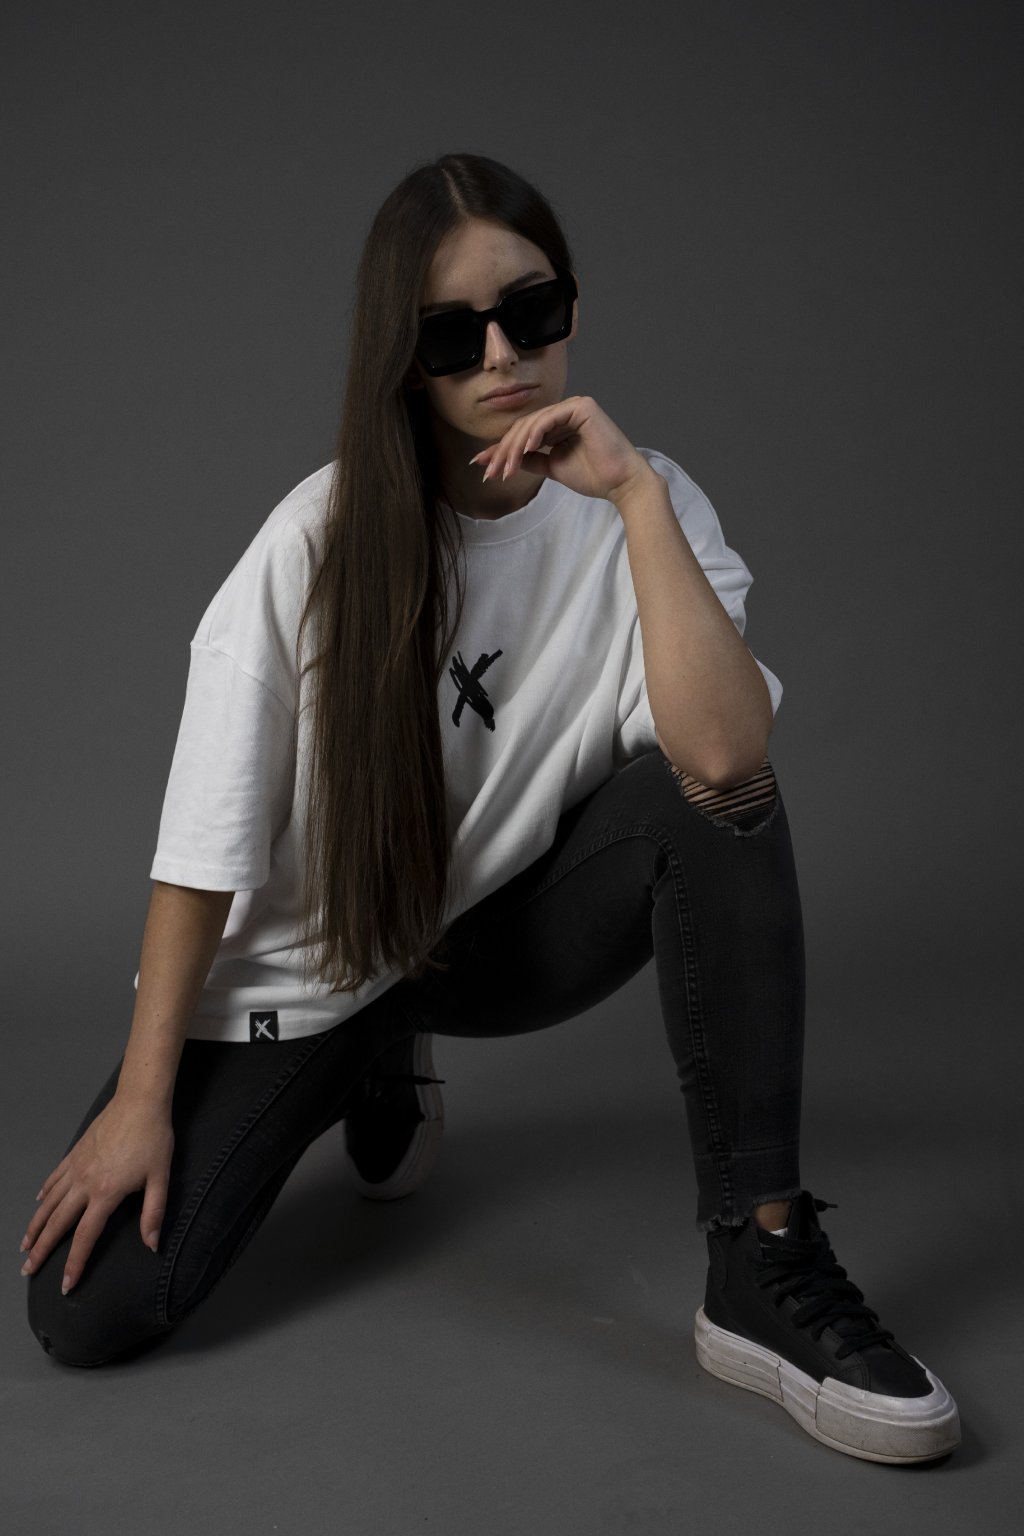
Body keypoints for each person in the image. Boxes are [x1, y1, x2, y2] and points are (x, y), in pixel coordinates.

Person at [21, 151, 959, 1464]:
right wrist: (141, 1097)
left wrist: (634, 499)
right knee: (93, 1309)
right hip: (311, 973)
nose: (505, 354)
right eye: (454, 334)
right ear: (404, 359)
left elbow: (727, 759)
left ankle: (760, 1259)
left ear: (572, 306)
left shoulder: (646, 504)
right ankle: (367, 1057)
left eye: (533, 310)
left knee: (707, 799)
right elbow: (200, 853)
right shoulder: (314, 542)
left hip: (487, 941)